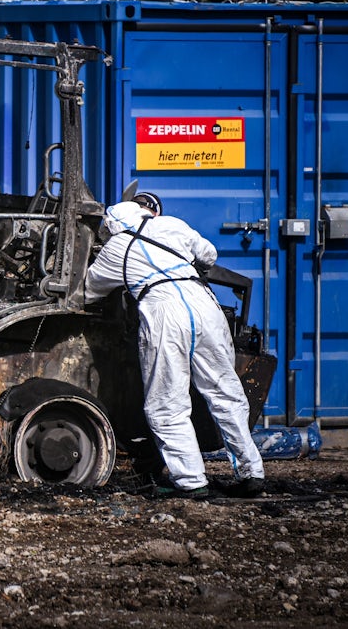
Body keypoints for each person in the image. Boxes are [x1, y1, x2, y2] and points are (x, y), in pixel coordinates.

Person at [85, 192, 265, 499]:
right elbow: (208, 255)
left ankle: (192, 480)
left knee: (167, 403)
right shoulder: (170, 224)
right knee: (226, 392)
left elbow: (89, 290)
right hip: (203, 304)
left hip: (163, 311)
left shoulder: (115, 247)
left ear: (112, 226)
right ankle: (252, 473)